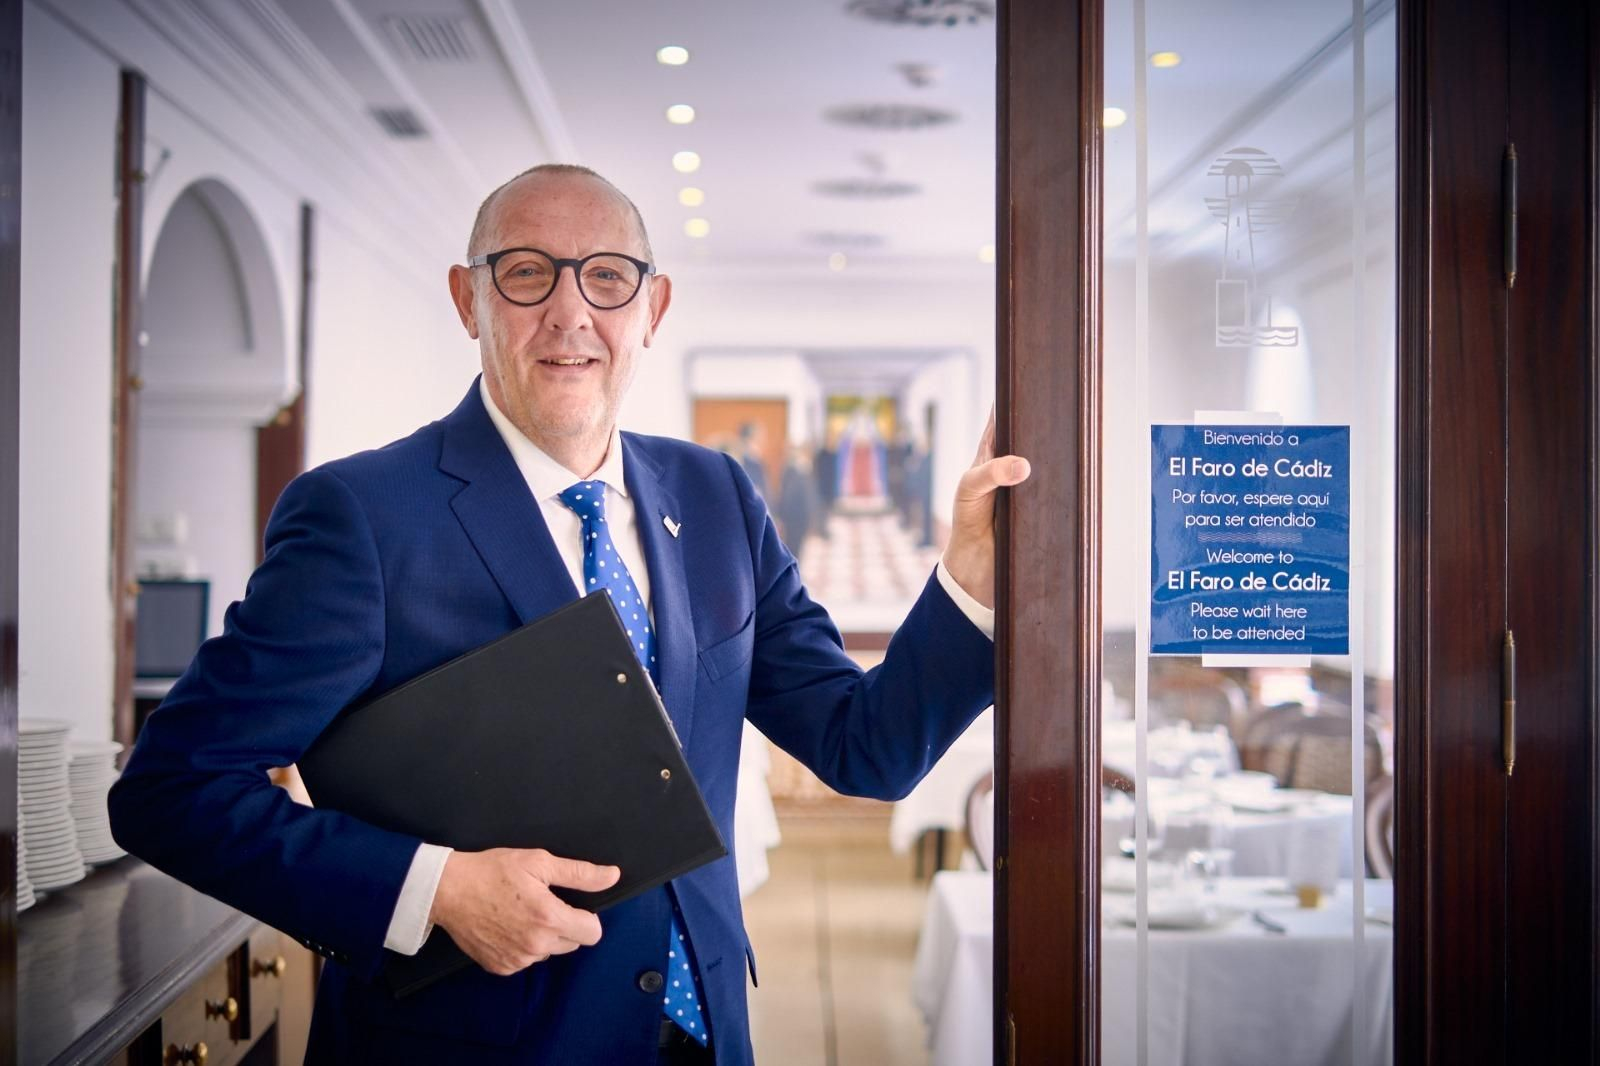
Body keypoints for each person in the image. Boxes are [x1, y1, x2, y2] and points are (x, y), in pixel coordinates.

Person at [108, 164, 1029, 1066]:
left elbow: (863, 745)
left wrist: (971, 580)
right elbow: (172, 792)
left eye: (606, 277)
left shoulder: (715, 496)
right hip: (471, 1040)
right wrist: (435, 887)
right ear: (469, 301)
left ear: (652, 309)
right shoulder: (364, 517)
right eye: (525, 273)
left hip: (702, 1030)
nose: (570, 312)